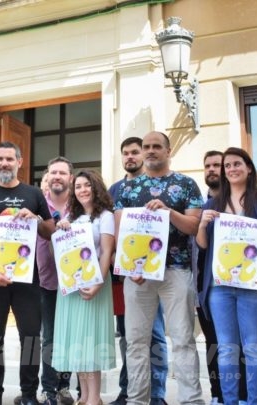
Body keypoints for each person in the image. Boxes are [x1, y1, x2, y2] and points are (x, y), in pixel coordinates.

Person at [114, 131, 204, 405]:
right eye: (146, 147)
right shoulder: (127, 188)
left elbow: (193, 226)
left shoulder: (186, 184)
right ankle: (137, 400)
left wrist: (168, 212)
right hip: (137, 274)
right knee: (136, 341)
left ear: (168, 150)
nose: (150, 150)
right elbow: (120, 232)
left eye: (156, 146)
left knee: (183, 338)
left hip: (176, 270)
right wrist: (130, 267)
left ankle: (191, 401)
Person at [0, 141, 55, 405]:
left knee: (31, 336)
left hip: (27, 278)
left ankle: (28, 394)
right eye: (0, 159)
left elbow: (50, 231)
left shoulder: (34, 194)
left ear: (19, 162)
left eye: (9, 159)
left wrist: (36, 219)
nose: (4, 163)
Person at [196, 148, 257, 404]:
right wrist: (202, 224)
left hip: (255, 285)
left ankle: (253, 402)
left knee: (254, 349)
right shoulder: (212, 204)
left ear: (249, 168)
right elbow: (202, 245)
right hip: (220, 287)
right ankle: (230, 401)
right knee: (226, 350)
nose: (232, 169)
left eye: (237, 164)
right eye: (227, 166)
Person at [107, 137, 168, 405]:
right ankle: (128, 390)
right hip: (125, 276)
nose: (130, 156)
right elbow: (110, 231)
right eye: (126, 153)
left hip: (154, 272)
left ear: (143, 154)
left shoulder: (157, 186)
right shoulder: (115, 190)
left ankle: (157, 394)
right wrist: (118, 263)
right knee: (129, 337)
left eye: (135, 152)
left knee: (155, 334)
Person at [52, 170, 116, 405]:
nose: (82, 190)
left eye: (87, 185)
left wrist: (98, 282)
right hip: (71, 288)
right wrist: (62, 228)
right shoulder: (72, 217)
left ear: (95, 187)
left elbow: (107, 252)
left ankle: (94, 398)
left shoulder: (106, 216)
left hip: (95, 283)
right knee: (77, 342)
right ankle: (86, 397)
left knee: (91, 342)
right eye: (78, 186)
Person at [194, 150, 248, 405]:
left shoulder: (241, 202)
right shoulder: (200, 205)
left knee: (240, 343)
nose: (212, 170)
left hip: (240, 282)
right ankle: (218, 394)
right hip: (206, 285)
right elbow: (198, 247)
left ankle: (242, 395)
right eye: (208, 166)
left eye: (217, 165)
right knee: (213, 343)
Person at [32, 157, 74, 405]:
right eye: (53, 172)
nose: (57, 176)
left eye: (62, 172)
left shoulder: (79, 204)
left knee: (69, 335)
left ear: (70, 177)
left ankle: (64, 386)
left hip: (74, 280)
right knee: (49, 336)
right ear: (47, 177)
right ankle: (48, 389)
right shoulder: (37, 203)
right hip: (45, 279)